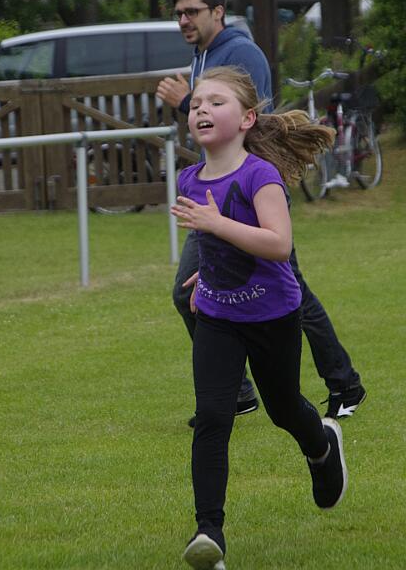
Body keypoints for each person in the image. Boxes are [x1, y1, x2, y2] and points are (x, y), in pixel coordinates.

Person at [156, 0, 366, 423]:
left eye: (191, 11)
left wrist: (185, 101)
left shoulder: (241, 52)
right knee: (213, 290)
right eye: (178, 14)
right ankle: (244, 391)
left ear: (218, 11)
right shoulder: (203, 55)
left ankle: (336, 383)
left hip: (249, 192)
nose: (183, 20)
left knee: (289, 288)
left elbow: (249, 121)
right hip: (216, 192)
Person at [171, 66, 348, 570]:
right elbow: (213, 244)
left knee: (283, 409)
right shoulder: (189, 177)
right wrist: (206, 275)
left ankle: (322, 446)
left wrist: (215, 223)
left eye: (216, 102)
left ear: (247, 118)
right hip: (217, 317)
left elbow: (277, 244)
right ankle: (209, 533)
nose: (201, 109)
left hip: (272, 316)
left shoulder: (259, 175)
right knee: (213, 416)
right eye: (196, 104)